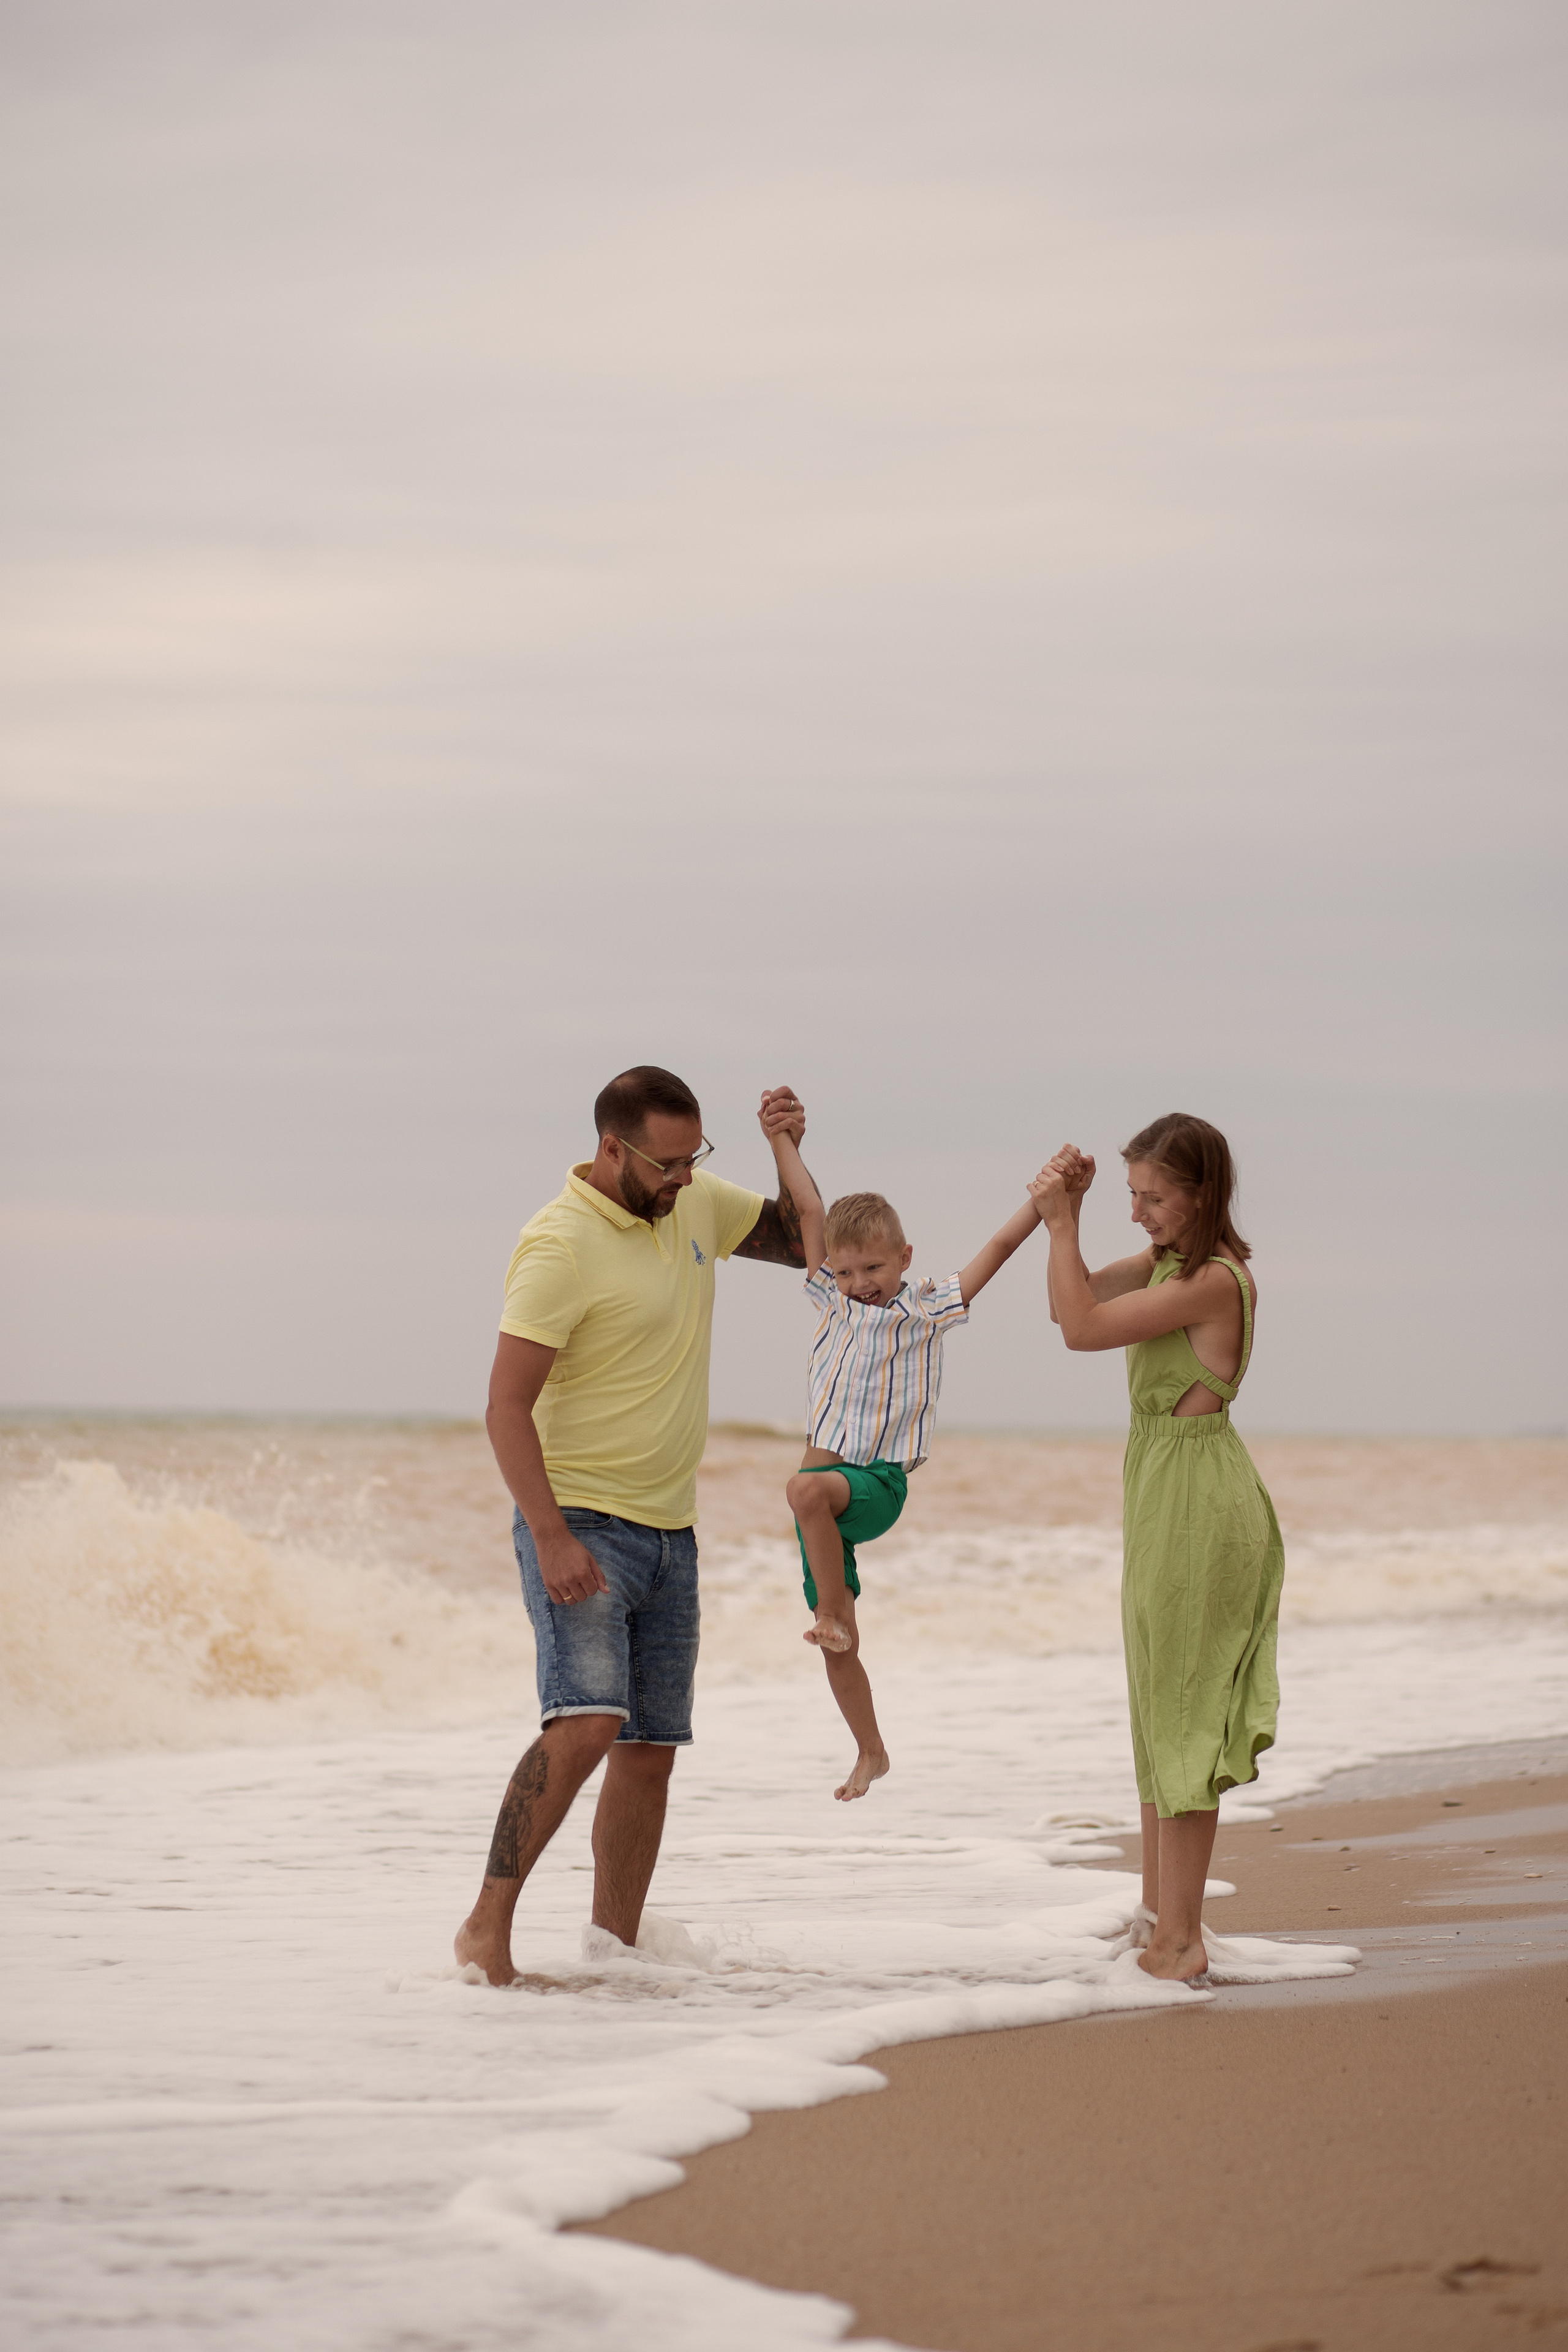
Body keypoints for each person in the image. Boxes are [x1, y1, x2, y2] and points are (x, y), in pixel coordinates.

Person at [455, 1066, 815, 1986]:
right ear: (612, 1148)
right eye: (664, 1164)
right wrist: (549, 1536)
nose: (683, 1179)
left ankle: (612, 1952)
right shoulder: (559, 1244)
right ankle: (485, 1928)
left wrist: (785, 1149)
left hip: (671, 1528)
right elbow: (505, 1406)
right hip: (580, 1520)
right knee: (586, 1724)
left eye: (694, 1159)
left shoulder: (690, 1204)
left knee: (650, 1747)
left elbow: (809, 1243)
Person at [1029, 1115, 1284, 1988]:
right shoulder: (1168, 1265)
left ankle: (1183, 1937)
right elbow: (1066, 1301)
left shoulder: (1215, 1280)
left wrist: (1063, 1223)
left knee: (1185, 1711)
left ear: (1202, 1195)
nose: (1139, 1213)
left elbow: (1082, 1331)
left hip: (1202, 1504)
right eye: (1132, 1196)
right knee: (1155, 1710)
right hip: (1160, 1492)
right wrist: (1071, 1214)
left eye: (1154, 1198)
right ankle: (1156, 1916)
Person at [761, 1103, 1047, 1801]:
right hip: (821, 1515)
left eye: (875, 1267)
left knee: (802, 1489)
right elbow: (807, 1206)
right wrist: (781, 1141)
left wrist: (1043, 1201)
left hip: (874, 1483)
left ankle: (830, 1612)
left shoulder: (924, 1310)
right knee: (839, 1642)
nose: (862, 1282)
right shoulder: (829, 1301)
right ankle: (869, 1750)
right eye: (848, 1268)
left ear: (906, 1258)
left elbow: (998, 1253)